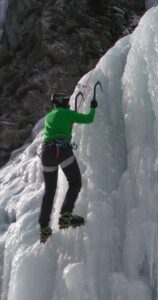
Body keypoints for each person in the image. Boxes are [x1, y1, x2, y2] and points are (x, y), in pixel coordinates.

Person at [39, 92, 97, 243]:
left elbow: (58, 126)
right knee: (75, 182)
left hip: (46, 152)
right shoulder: (67, 113)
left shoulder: (48, 117)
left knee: (49, 191)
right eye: (66, 101)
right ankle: (65, 215)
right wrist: (93, 107)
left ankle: (44, 228)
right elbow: (89, 119)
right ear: (63, 103)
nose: (68, 103)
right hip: (62, 149)